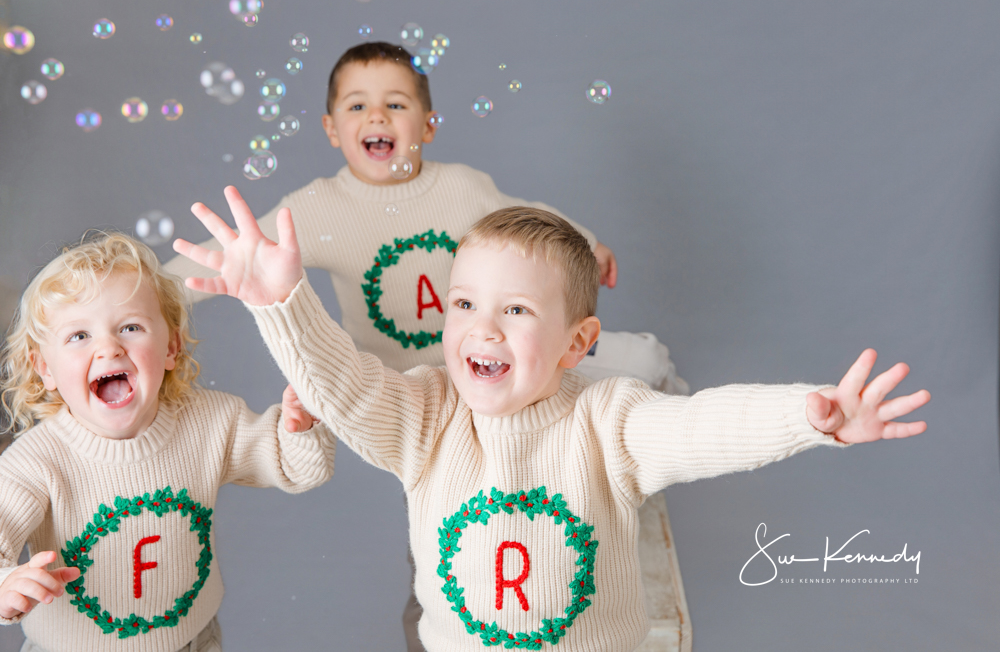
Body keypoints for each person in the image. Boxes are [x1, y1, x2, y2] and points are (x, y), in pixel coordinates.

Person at [173, 188, 930, 652]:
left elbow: (701, 426)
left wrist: (807, 417)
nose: (483, 329)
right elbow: (345, 387)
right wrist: (281, 303)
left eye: (517, 310)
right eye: (464, 304)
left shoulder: (608, 422)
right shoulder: (427, 415)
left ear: (578, 344)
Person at [165, 40, 687, 649]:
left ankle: (652, 438)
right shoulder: (316, 208)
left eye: (396, 103)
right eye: (357, 107)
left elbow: (527, 215)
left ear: (429, 126)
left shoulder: (462, 190)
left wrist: (586, 243)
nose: (377, 117)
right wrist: (145, 295)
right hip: (417, 404)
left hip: (510, 365)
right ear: (333, 131)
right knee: (454, 532)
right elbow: (238, 258)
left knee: (645, 361)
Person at [0, 233, 335, 652]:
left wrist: (299, 429)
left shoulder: (211, 422)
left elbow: (299, 468)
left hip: (192, 642)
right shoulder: (37, 461)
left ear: (171, 347)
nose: (108, 347)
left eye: (130, 327)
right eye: (79, 336)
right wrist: (6, 584)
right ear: (44, 368)